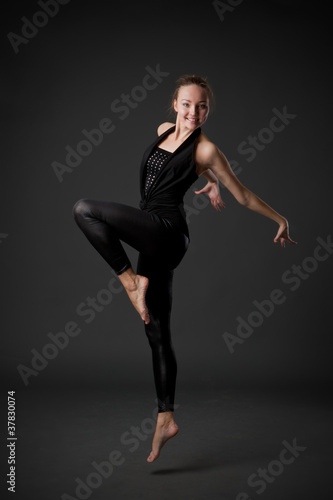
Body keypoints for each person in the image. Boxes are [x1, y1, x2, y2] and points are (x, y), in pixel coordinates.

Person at [72, 75, 297, 463]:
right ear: (175, 104)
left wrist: (281, 219)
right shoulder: (162, 131)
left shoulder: (207, 149)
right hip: (150, 234)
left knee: (85, 209)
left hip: (168, 233)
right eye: (188, 104)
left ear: (209, 110)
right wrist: (208, 183)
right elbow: (179, 169)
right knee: (156, 330)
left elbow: (242, 194)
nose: (194, 113)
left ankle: (129, 283)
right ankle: (166, 419)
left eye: (203, 107)